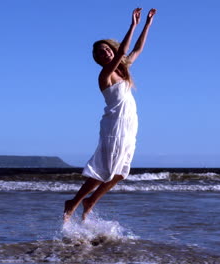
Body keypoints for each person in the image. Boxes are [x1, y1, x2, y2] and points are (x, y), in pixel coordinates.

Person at [64, 7, 157, 222]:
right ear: (96, 58)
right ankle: (75, 202)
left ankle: (91, 200)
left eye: (106, 49)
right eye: (99, 52)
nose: (104, 53)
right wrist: (132, 25)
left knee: (120, 172)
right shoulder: (105, 74)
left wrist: (147, 25)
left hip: (130, 125)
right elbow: (124, 51)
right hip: (114, 126)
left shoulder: (122, 71)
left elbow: (137, 49)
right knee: (104, 169)